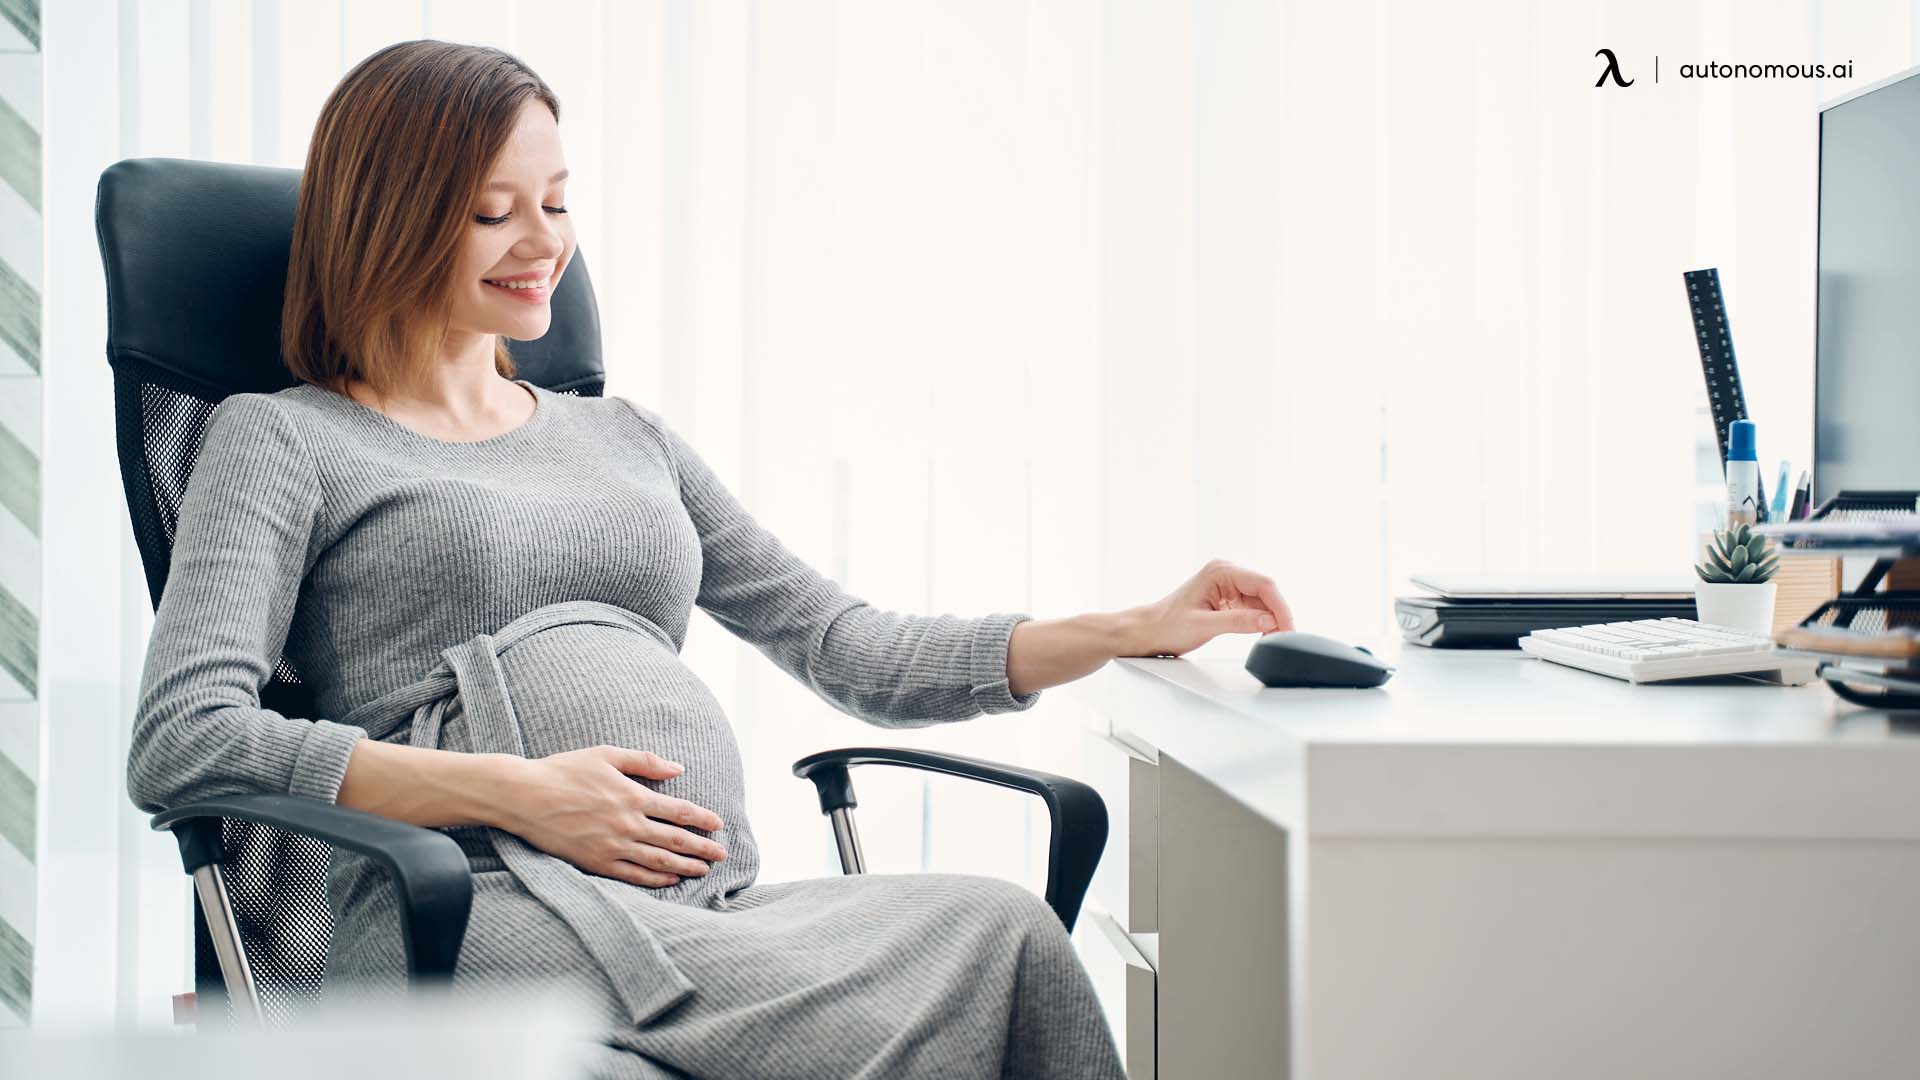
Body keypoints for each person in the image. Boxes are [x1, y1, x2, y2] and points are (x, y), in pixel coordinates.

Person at [127, 39, 1294, 1079]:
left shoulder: (625, 436)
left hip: (704, 915)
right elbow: (185, 739)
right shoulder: (282, 439)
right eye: (496, 212)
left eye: (559, 201)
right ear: (394, 216)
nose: (549, 246)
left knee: (1004, 937)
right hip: (471, 911)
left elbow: (851, 648)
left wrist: (1126, 626)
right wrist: (522, 796)